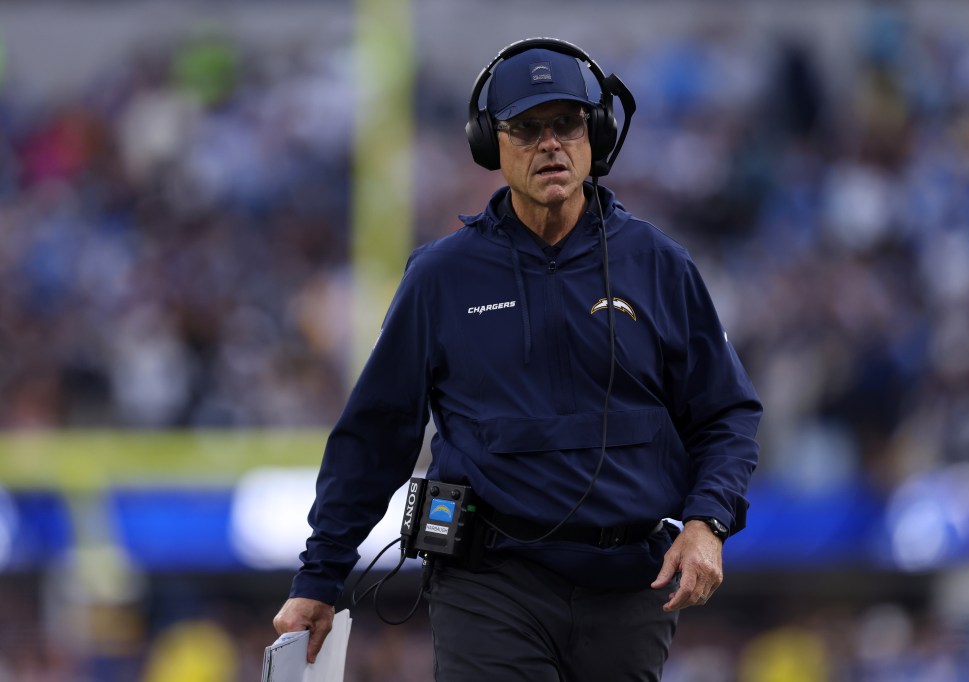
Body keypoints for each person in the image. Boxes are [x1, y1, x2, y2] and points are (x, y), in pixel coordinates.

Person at [273, 37, 762, 681]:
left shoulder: (659, 265)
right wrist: (321, 575)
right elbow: (374, 436)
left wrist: (707, 522)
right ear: (490, 145)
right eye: (526, 128)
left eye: (566, 123)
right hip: (489, 583)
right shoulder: (441, 277)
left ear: (598, 135)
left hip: (629, 587)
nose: (550, 143)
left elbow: (726, 413)